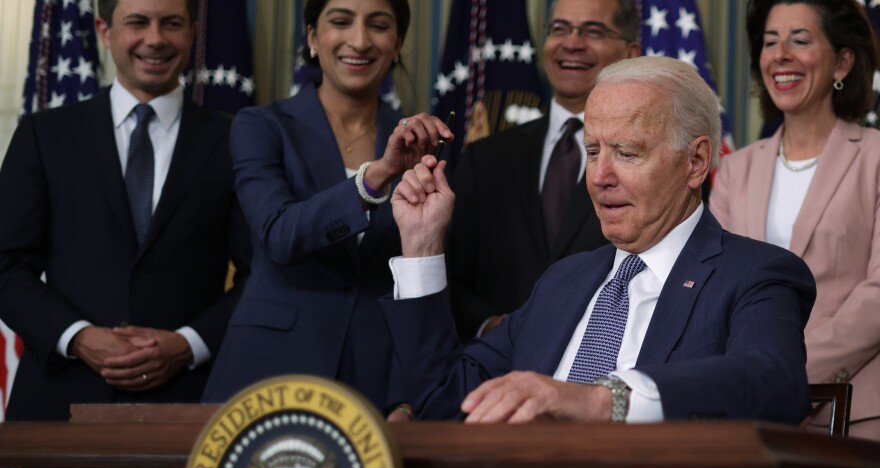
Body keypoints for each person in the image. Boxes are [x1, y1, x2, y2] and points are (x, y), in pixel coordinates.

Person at [381, 56, 815, 424]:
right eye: (592, 152)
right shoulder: (562, 282)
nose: (600, 177)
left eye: (627, 153)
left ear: (697, 161)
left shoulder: (753, 274)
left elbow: (776, 381)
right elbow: (444, 400)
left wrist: (602, 399)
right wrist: (421, 247)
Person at [0, 0, 251, 421]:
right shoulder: (44, 135)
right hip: (58, 404)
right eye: (137, 22)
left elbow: (260, 274)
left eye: (171, 24)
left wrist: (189, 344)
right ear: (104, 30)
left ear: (192, 32)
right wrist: (78, 338)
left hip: (193, 405)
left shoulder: (236, 141)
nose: (155, 39)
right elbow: (5, 264)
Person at [201, 0, 451, 414]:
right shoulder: (262, 126)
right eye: (340, 21)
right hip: (268, 370)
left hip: (376, 382)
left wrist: (406, 394)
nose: (359, 40)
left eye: (379, 25)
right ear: (313, 37)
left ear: (398, 41)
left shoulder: (422, 142)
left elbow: (420, 277)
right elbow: (279, 234)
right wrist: (376, 176)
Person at [710, 0, 880, 440]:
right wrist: (749, 381)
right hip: (749, 415)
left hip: (854, 415)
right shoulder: (734, 169)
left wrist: (779, 375)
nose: (780, 54)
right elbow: (712, 290)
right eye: (770, 42)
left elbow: (877, 297)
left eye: (800, 40)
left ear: (842, 60)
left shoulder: (876, 157)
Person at [446, 0, 640, 339]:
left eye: (593, 31)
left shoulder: (651, 163)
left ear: (630, 52)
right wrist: (491, 327)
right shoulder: (483, 159)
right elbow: (448, 273)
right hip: (493, 374)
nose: (572, 43)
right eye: (559, 29)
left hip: (602, 371)